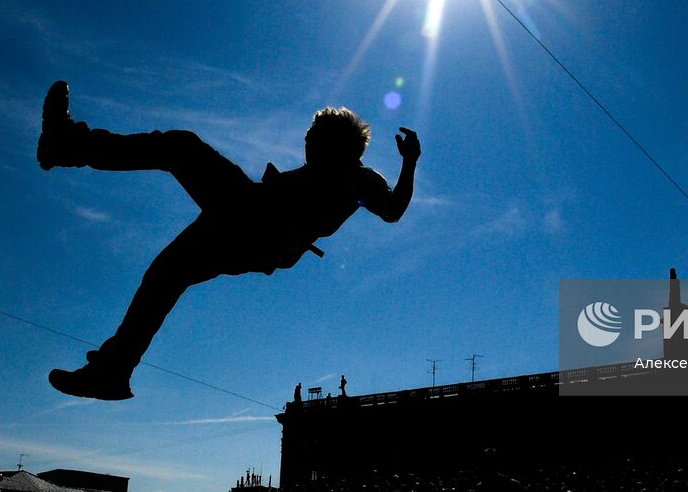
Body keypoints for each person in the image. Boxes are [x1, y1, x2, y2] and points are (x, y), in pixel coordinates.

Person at [37, 81, 421, 400]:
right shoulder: (315, 174)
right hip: (245, 225)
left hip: (260, 226)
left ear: (336, 145)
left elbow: (392, 210)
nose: (305, 142)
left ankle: (68, 144)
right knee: (165, 274)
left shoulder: (358, 177)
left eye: (313, 136)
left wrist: (409, 162)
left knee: (182, 148)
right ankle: (113, 371)